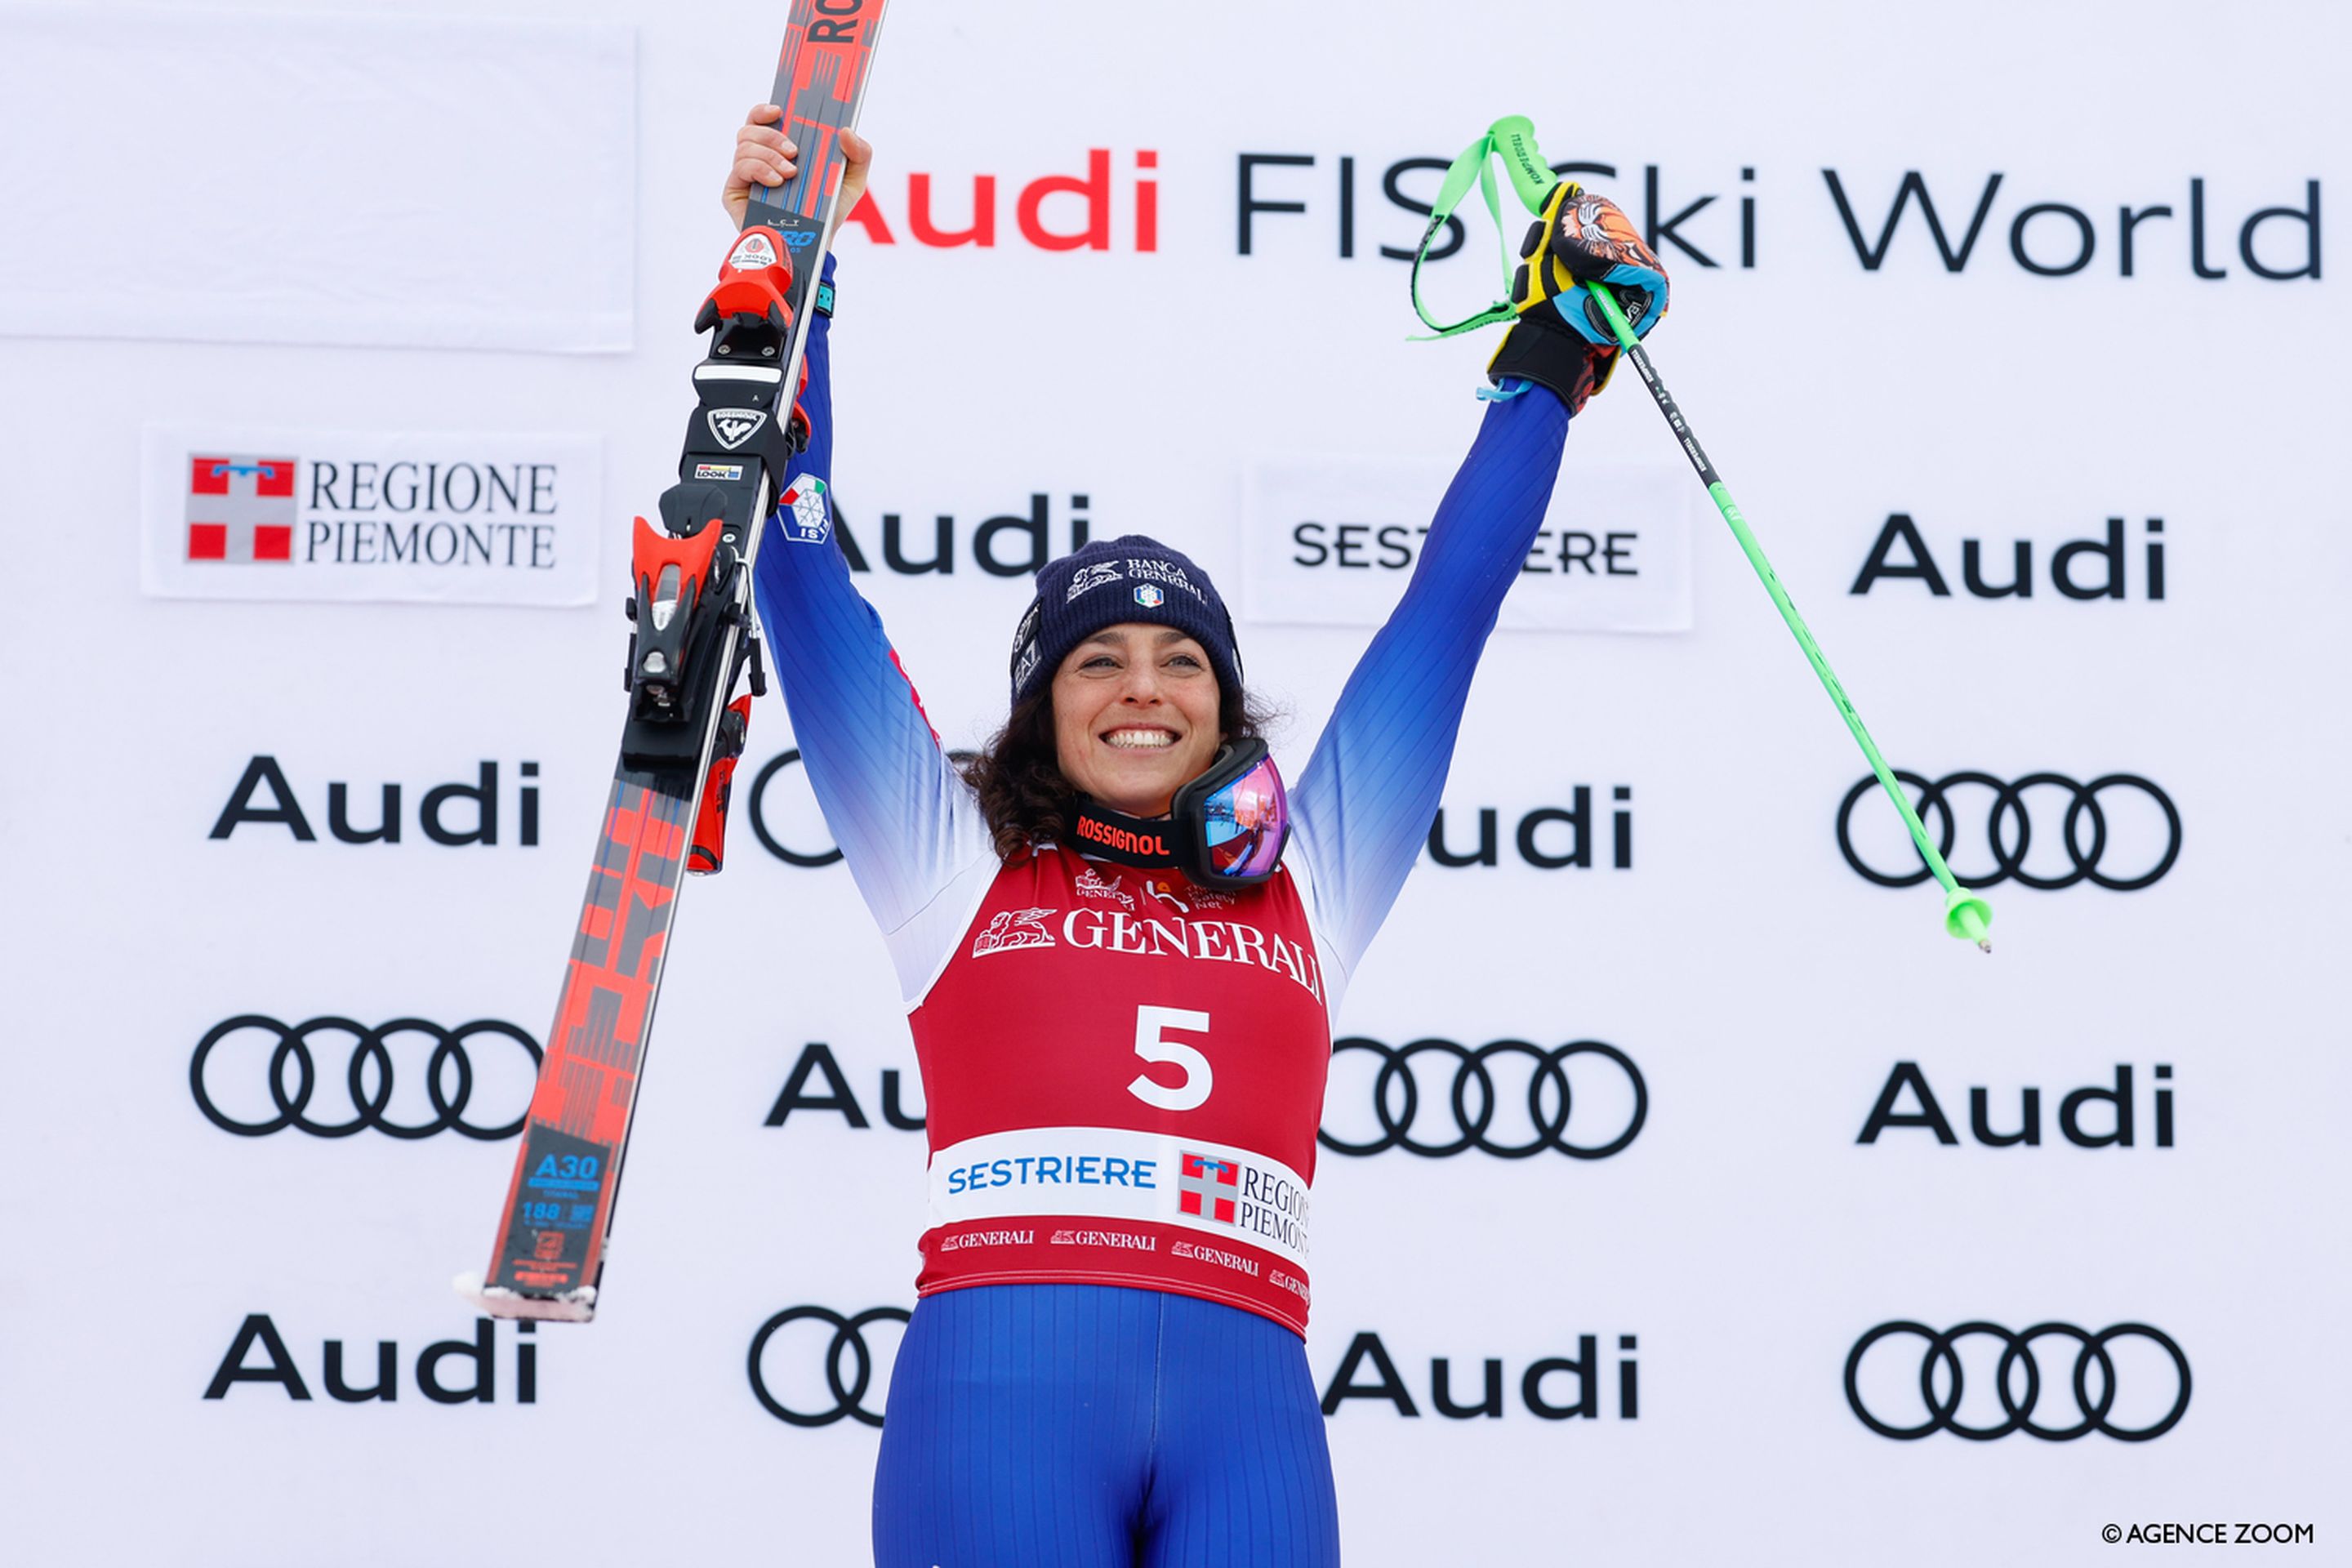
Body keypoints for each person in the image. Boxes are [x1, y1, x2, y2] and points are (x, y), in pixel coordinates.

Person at [725, 104, 1668, 1568]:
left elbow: (1448, 608)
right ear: (1044, 711)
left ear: (1225, 704)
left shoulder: (1316, 871)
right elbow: (791, 557)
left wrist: (1554, 356)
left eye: (1184, 662)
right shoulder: (953, 864)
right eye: (1099, 662)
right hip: (999, 1400)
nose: (1146, 689)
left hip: (1253, 1410)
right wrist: (794, 270)